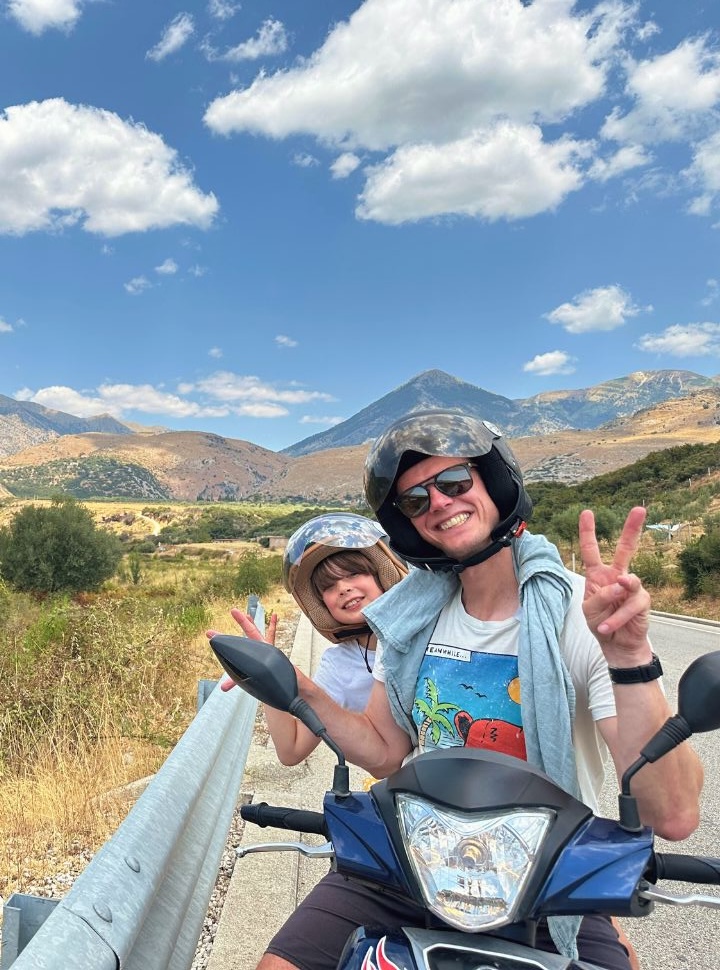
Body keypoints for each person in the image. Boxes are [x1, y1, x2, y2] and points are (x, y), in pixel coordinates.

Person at [241, 410, 703, 970]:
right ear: (408, 524)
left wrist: (630, 655)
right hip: (413, 857)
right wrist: (289, 684)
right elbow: (386, 752)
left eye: (454, 481)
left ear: (493, 482)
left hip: (542, 876)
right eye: (414, 500)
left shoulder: (576, 617)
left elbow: (672, 816)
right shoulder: (410, 622)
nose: (437, 502)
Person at [218, 512, 407, 765]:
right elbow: (291, 750)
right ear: (319, 605)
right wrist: (267, 677)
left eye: (353, 574)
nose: (343, 588)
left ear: (382, 574)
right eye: (329, 586)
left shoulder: (425, 629)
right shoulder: (339, 665)